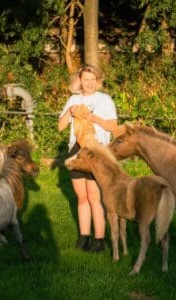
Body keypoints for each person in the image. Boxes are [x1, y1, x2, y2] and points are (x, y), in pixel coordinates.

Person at [58, 64, 118, 252]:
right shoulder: (73, 99)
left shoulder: (105, 100)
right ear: (80, 81)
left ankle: (99, 240)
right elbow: (60, 126)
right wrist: (70, 111)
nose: (89, 83)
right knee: (81, 197)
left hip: (96, 151)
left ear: (98, 81)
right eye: (86, 80)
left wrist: (95, 119)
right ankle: (84, 237)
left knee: (94, 196)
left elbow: (114, 127)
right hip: (75, 151)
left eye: (93, 80)